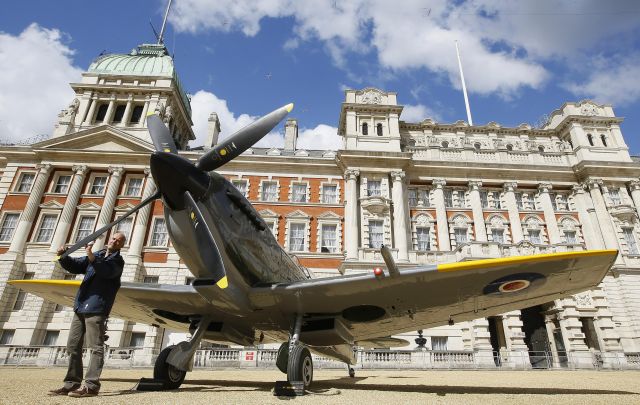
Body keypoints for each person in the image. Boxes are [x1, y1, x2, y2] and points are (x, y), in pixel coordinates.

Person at [49, 232, 126, 398]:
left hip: (97, 308)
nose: (114, 241)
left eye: (118, 241)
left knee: (95, 347)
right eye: (113, 238)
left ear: (121, 246)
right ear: (109, 239)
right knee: (72, 346)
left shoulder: (117, 261)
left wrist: (92, 257)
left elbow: (106, 271)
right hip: (80, 305)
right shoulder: (97, 255)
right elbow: (76, 265)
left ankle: (91, 386)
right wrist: (63, 256)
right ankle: (71, 384)